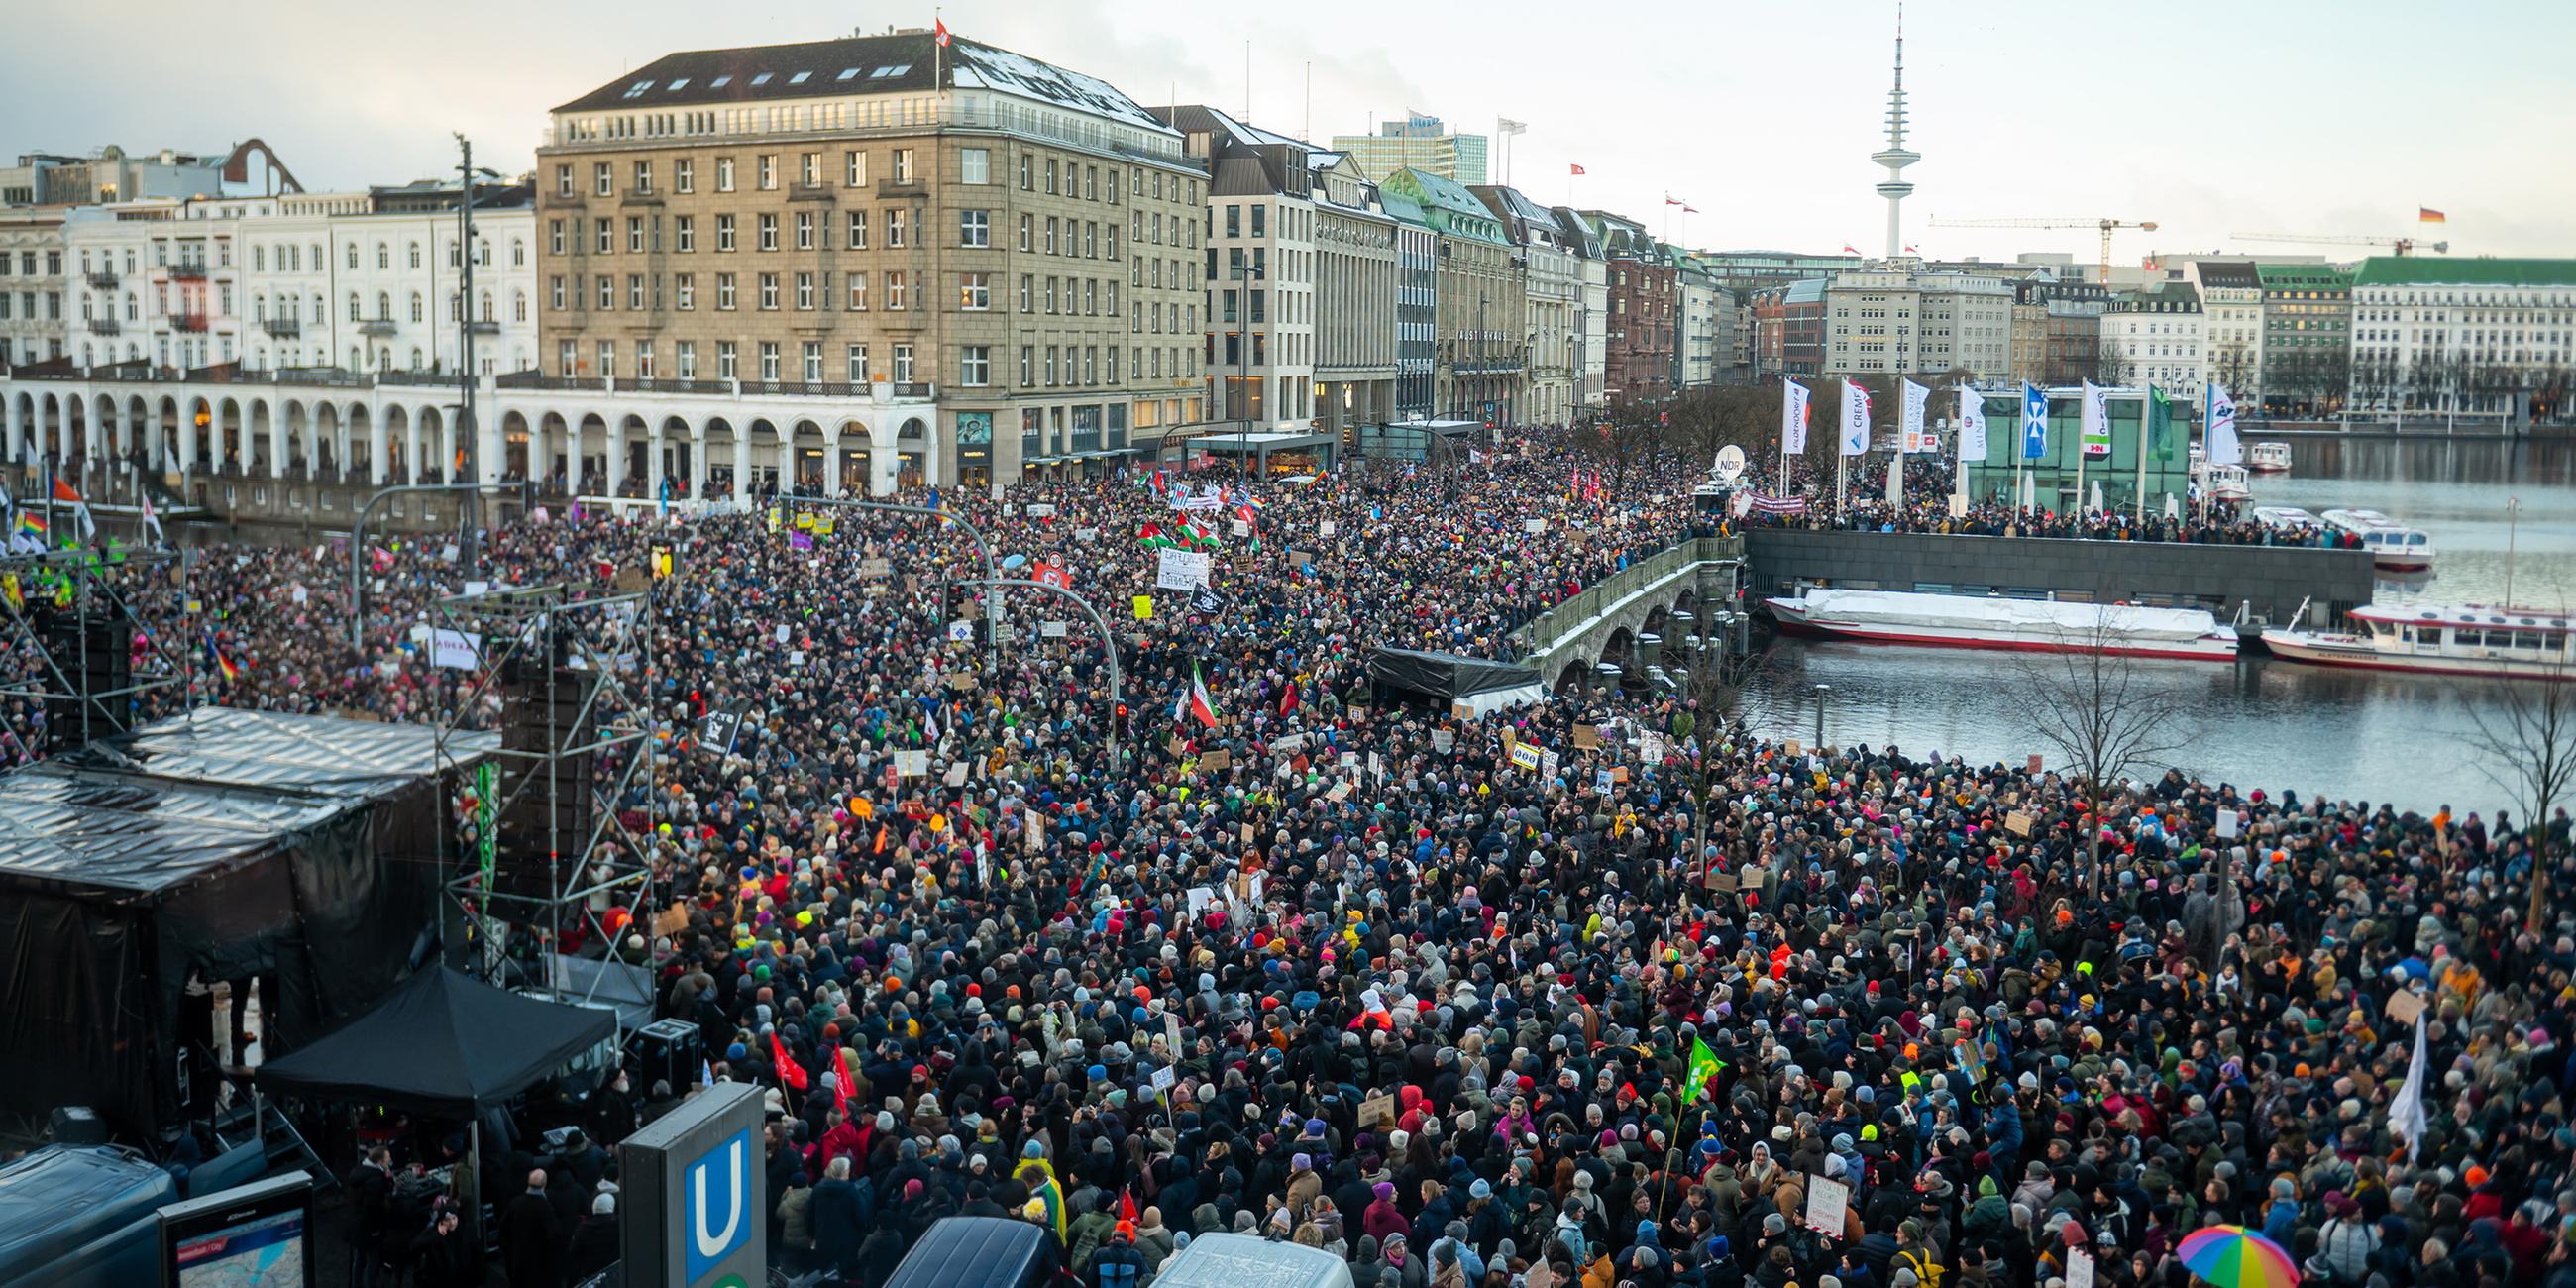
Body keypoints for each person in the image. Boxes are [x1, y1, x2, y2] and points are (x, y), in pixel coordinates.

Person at [498, 1166, 563, 1288]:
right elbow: (554, 1238)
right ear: (544, 1184)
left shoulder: (515, 1203)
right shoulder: (546, 1208)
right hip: (539, 1267)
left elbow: (503, 1230)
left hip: (518, 1262)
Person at [411, 1208, 477, 1288]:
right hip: (440, 1281)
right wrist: (437, 1234)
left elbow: (475, 1253)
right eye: (447, 1219)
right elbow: (415, 1245)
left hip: (462, 1279)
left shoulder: (464, 1229)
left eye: (454, 1218)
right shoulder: (433, 1232)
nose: (452, 1223)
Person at [565, 1192, 620, 1284]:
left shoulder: (583, 1228)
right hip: (614, 1274)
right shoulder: (619, 1225)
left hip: (591, 1276)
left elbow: (573, 1253)